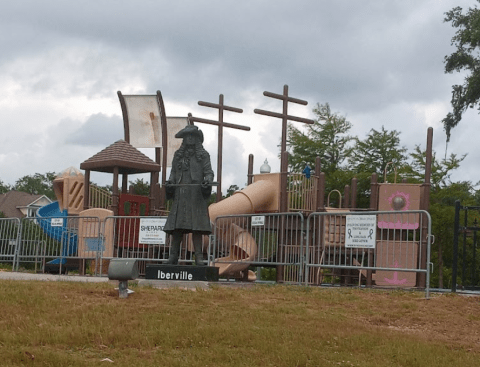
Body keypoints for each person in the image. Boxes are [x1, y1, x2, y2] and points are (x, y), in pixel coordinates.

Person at [163, 125, 214, 265]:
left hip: (196, 194)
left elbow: (209, 172)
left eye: (192, 136)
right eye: (186, 136)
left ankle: (198, 257)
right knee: (177, 228)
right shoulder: (178, 156)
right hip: (181, 193)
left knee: (196, 227)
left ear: (197, 138)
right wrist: (171, 182)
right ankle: (173, 256)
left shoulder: (204, 155)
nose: (189, 138)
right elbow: (173, 172)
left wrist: (207, 181)